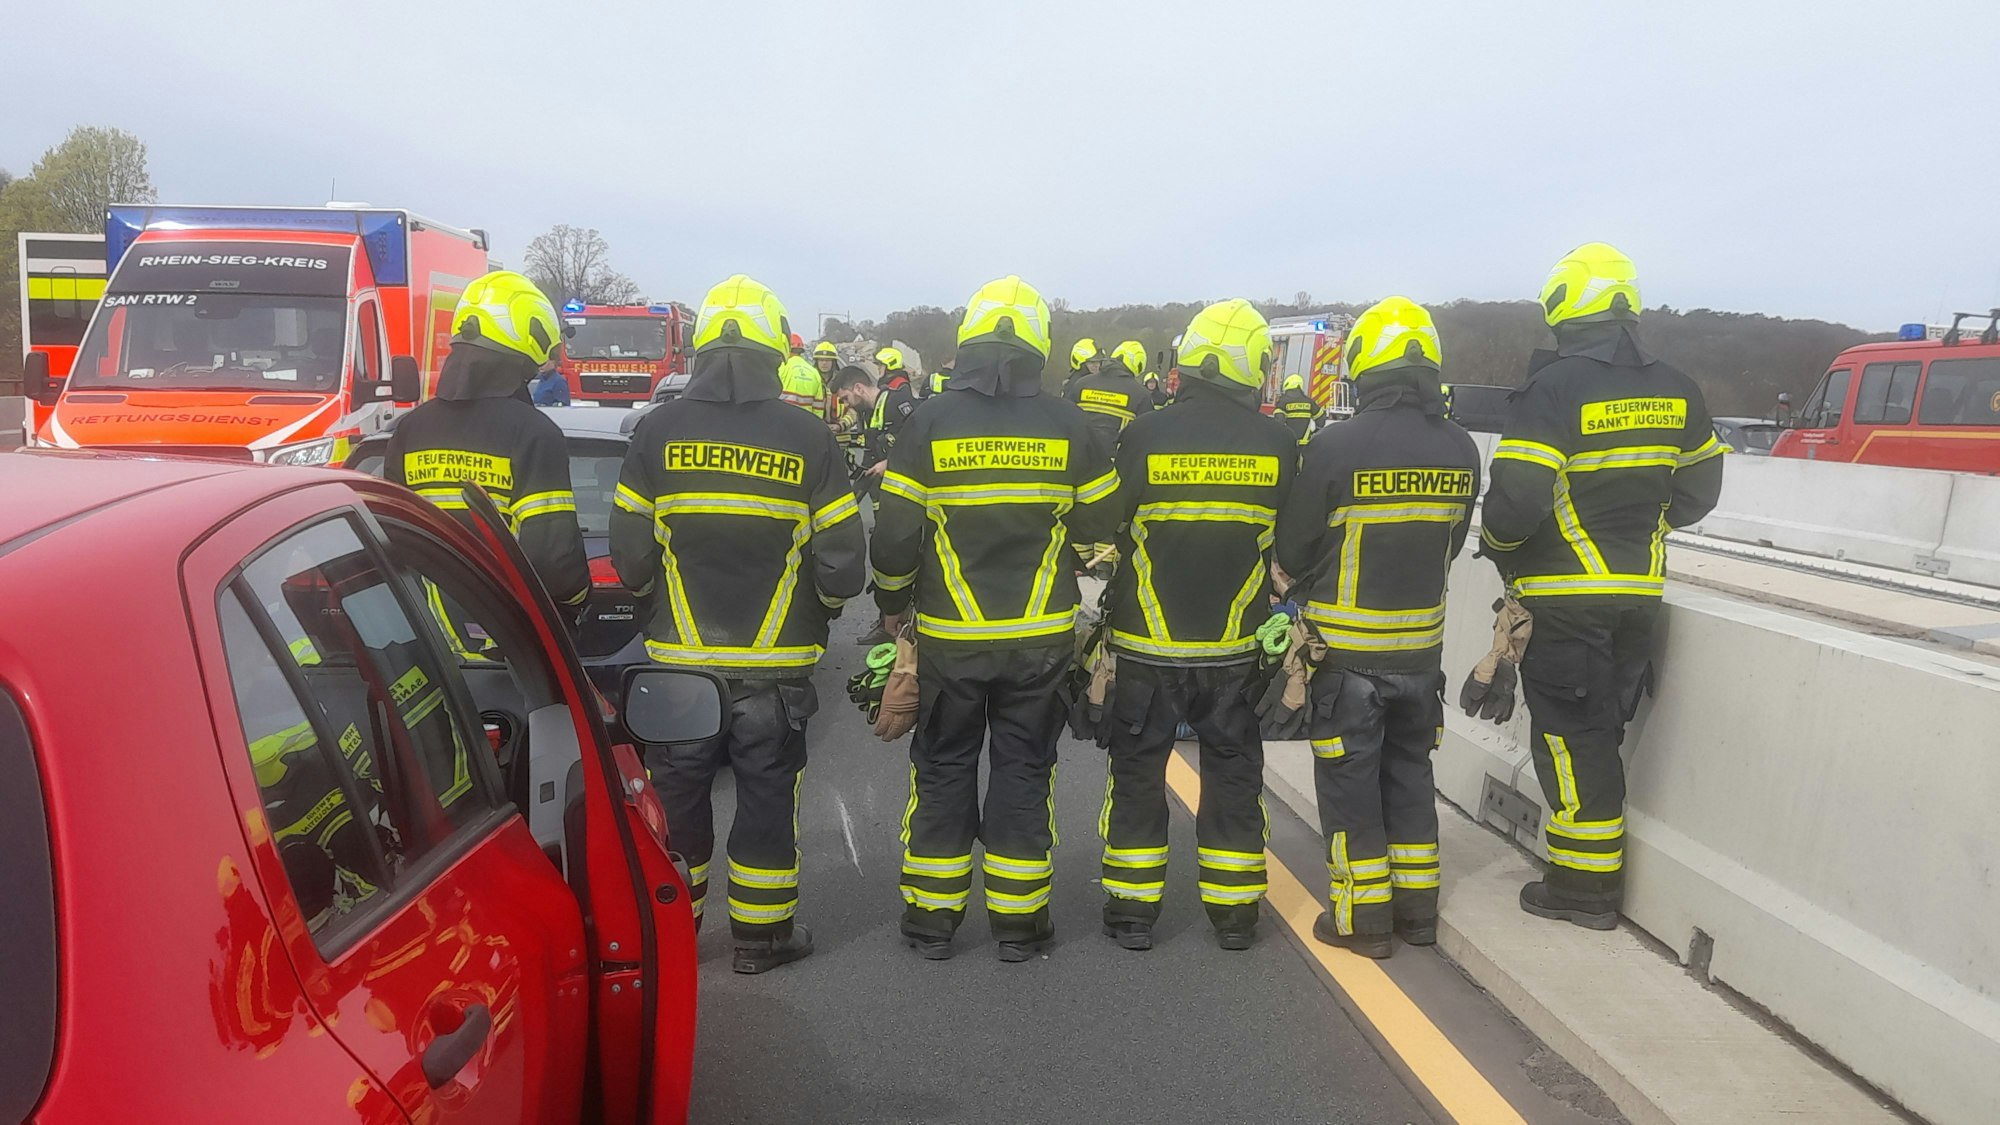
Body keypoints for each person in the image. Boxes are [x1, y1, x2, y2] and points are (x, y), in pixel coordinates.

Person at [610, 274, 866, 974]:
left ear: (697, 350)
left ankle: (672, 936)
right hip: (774, 672)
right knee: (765, 802)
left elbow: (630, 559)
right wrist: (823, 611)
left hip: (678, 671)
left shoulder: (655, 432)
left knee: (678, 805)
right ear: (772, 352)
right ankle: (761, 941)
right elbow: (844, 569)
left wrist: (653, 602)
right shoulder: (809, 437)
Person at [1476, 243, 1724, 930]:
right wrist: (1642, 530)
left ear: (1562, 309)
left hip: (1563, 599)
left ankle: (1583, 889)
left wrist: (1497, 548)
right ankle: (1586, 875)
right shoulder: (1678, 388)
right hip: (1636, 599)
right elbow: (1701, 489)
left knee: (1567, 737)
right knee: (1599, 732)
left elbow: (1516, 501)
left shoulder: (1553, 389)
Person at [871, 275, 1118, 962]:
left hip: (950, 639)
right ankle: (1019, 925)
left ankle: (931, 921)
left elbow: (894, 536)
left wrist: (893, 604)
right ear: (1038, 344)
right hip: (1039, 640)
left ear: (969, 342)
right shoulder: (1070, 423)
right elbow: (1102, 529)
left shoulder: (929, 422)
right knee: (1023, 768)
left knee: (944, 766)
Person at [1276, 296, 1480, 959]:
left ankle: (1362, 921)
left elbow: (1297, 547)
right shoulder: (1461, 447)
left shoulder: (1337, 446)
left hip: (1346, 660)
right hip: (1421, 657)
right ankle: (1417, 912)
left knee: (1349, 786)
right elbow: (1449, 548)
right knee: (1410, 775)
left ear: (1366, 366)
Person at [1097, 299, 1297, 953]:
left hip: (1145, 648)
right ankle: (1235, 915)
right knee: (1234, 775)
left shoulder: (1145, 434)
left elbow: (1110, 525)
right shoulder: (1278, 444)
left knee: (1138, 775)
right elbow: (1293, 551)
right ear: (1252, 365)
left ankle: (1132, 912)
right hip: (1235, 654)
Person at [388, 270, 589, 614]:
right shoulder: (533, 434)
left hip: (430, 647)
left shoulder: (410, 430)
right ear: (530, 337)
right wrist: (579, 600)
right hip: (509, 650)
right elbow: (555, 564)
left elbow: (392, 537)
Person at [1067, 338, 1152, 447]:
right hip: (1117, 460)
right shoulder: (1141, 395)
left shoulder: (1081, 384)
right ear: (1139, 364)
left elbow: (1066, 422)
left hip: (1080, 457)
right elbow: (1147, 436)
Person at [779, 333, 827, 419]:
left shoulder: (781, 367)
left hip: (784, 422)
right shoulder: (814, 372)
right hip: (807, 425)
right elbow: (818, 407)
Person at [1274, 373, 1321, 444]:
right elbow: (1321, 418)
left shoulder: (1283, 402)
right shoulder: (1309, 402)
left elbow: (1279, 420)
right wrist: (1316, 431)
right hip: (1305, 443)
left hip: (1289, 442)